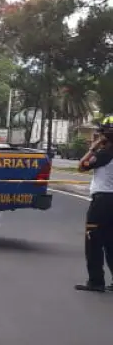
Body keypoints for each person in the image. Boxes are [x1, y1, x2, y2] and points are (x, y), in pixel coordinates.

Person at [75, 115, 113, 293]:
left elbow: (81, 166)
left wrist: (93, 147)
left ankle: (96, 281)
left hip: (102, 201)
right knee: (111, 242)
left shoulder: (105, 154)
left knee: (93, 240)